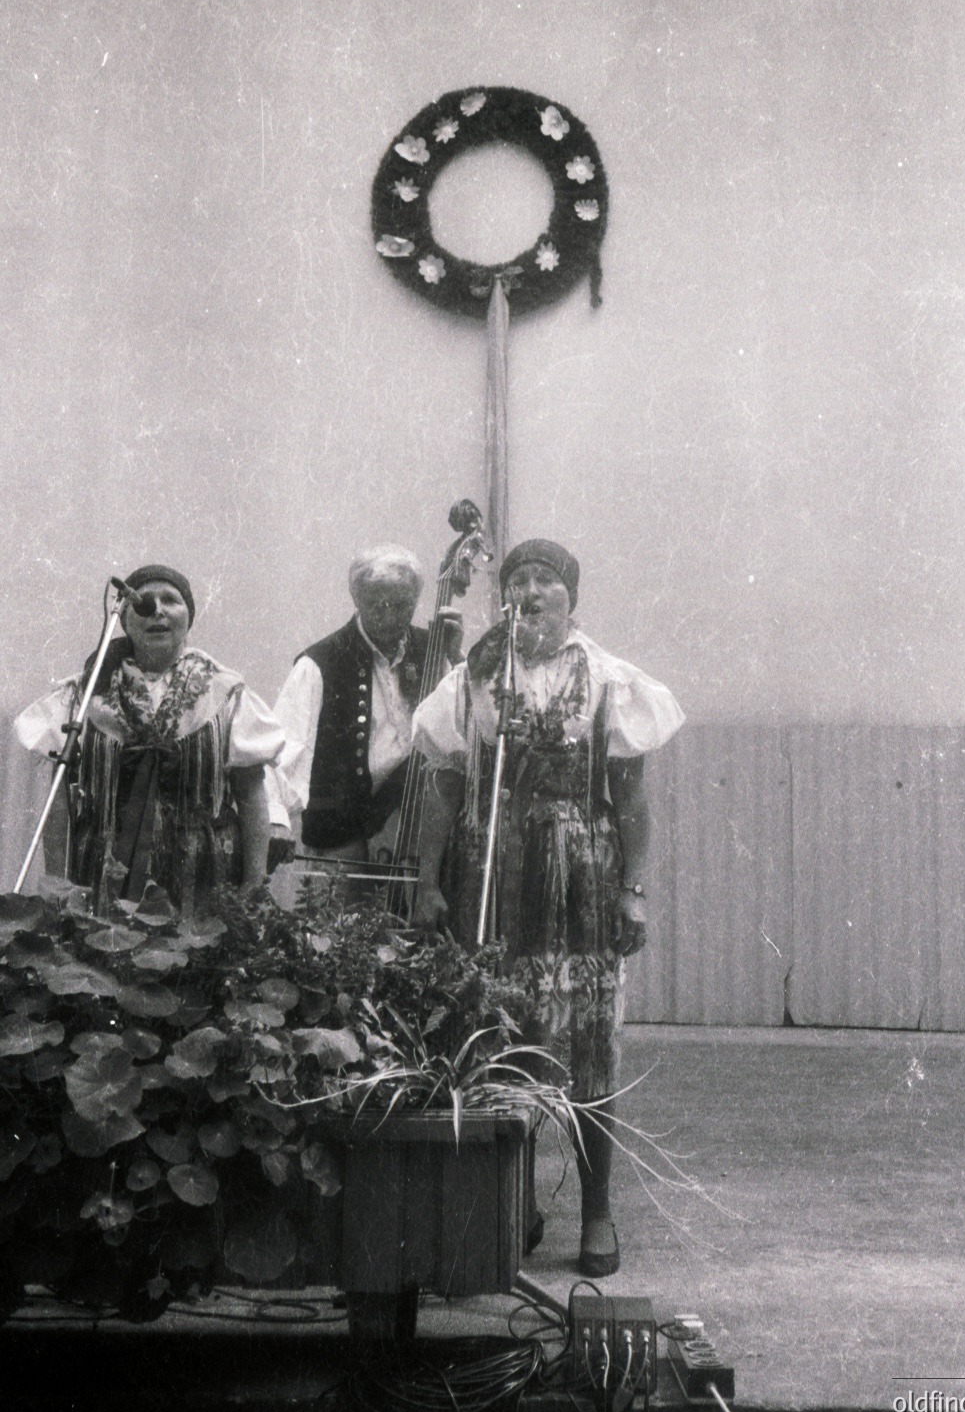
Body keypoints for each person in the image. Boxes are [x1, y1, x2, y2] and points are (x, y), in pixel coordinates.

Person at [410, 539, 684, 1276]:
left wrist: (633, 888)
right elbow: (444, 784)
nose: (530, 593)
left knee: (587, 1046)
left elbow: (629, 796)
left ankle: (597, 1215)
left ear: (572, 600)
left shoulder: (606, 679)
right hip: (489, 871)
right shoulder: (474, 677)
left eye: (546, 583)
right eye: (517, 581)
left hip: (577, 875)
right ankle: (515, 1204)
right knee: (497, 1037)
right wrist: (428, 880)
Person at [14, 564, 283, 911]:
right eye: (144, 602)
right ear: (125, 619)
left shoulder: (224, 692)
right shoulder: (86, 693)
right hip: (104, 872)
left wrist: (253, 882)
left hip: (203, 874)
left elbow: (250, 792)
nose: (157, 610)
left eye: (170, 600)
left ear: (189, 616)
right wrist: (58, 882)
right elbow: (60, 797)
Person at [266, 545, 461, 867]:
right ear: (357, 600)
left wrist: (456, 658)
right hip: (342, 837)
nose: (390, 618)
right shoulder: (319, 663)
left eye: (402, 606)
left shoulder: (435, 650)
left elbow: (463, 731)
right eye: (378, 606)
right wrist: (276, 817)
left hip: (416, 833)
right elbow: (285, 746)